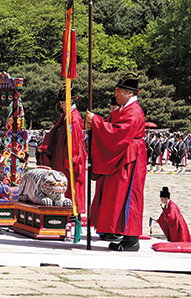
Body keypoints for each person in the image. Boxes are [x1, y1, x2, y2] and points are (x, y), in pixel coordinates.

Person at [86, 73, 147, 252]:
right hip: (125, 155)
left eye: (119, 92)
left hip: (131, 157)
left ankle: (131, 238)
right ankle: (121, 233)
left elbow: (117, 133)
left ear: (129, 93)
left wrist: (96, 121)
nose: (116, 95)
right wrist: (97, 123)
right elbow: (112, 125)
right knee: (119, 195)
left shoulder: (133, 112)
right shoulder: (124, 109)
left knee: (129, 196)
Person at [37, 91, 87, 214]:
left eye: (63, 103)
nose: (61, 106)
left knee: (68, 183)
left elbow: (75, 141)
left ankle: (71, 210)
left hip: (67, 155)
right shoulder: (66, 116)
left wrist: (72, 159)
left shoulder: (74, 118)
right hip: (60, 153)